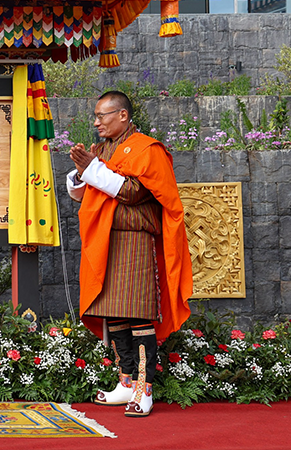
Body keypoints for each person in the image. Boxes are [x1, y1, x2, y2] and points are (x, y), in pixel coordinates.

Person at [66, 91, 193, 418]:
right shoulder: (103, 149)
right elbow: (87, 195)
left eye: (102, 115)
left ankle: (143, 389)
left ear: (122, 115)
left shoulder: (147, 149)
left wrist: (92, 168)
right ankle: (125, 382)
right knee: (115, 313)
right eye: (95, 116)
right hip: (105, 238)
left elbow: (132, 193)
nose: (96, 122)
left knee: (137, 314)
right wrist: (81, 172)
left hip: (135, 239)